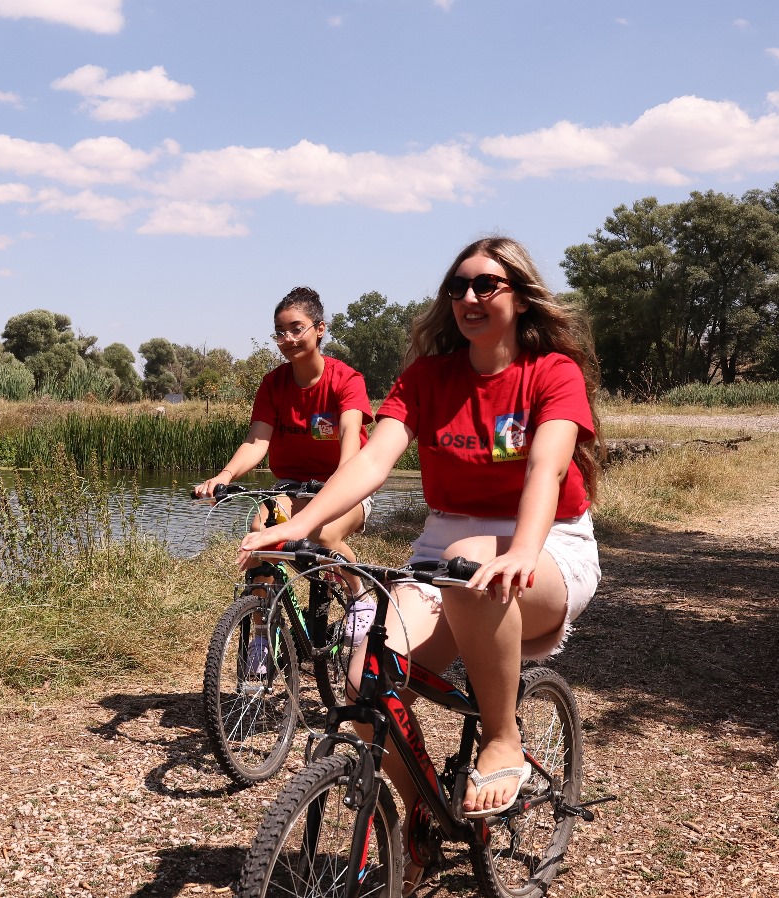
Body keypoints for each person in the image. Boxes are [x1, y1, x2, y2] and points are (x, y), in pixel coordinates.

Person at [237, 237, 602, 894]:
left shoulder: (551, 372)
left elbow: (547, 469)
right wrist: (299, 524)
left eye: (486, 285)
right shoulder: (428, 379)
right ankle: (421, 818)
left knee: (467, 566)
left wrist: (520, 550)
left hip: (547, 544)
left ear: (519, 297)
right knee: (363, 669)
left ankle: (501, 739)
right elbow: (371, 463)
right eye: (456, 286)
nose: (468, 297)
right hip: (448, 546)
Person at [193, 286, 375, 562]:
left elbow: (350, 437)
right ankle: (262, 603)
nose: (287, 339)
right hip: (293, 485)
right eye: (280, 331)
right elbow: (256, 442)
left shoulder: (346, 380)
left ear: (320, 329)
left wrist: (338, 484)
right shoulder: (273, 384)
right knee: (260, 531)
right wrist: (224, 476)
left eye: (296, 329)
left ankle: (360, 598)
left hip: (346, 483)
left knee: (322, 535)